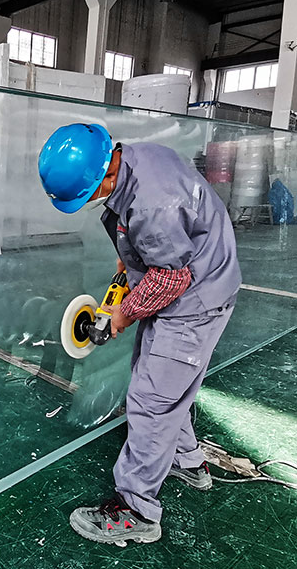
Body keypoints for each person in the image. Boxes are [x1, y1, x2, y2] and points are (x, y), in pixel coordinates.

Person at [38, 123, 241, 545]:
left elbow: (169, 279)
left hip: (195, 299)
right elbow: (143, 235)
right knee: (167, 384)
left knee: (150, 399)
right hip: (200, 277)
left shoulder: (154, 205)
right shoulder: (137, 158)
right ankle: (186, 460)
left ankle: (136, 510)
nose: (90, 201)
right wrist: (128, 261)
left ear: (104, 177)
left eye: (88, 193)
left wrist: (120, 316)